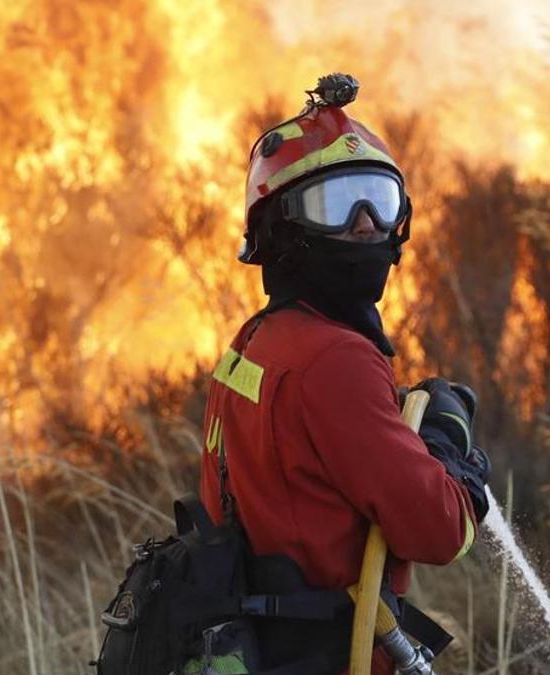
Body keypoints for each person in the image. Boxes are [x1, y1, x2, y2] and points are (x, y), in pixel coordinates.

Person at [199, 74, 491, 675]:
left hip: (261, 649)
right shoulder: (334, 361)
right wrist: (446, 445)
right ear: (280, 228)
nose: (364, 225)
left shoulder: (255, 341)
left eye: (378, 202)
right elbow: (440, 530)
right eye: (335, 204)